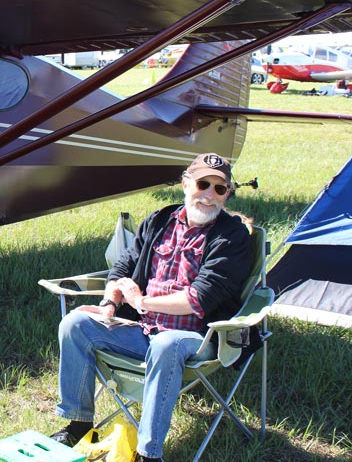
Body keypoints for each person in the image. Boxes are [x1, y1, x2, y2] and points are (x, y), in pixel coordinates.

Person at [51, 153, 252, 462]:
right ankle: (78, 423)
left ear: (227, 193)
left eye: (219, 189)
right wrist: (108, 305)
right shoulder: (159, 220)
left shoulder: (232, 236)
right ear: (186, 184)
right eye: (202, 184)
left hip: (196, 339)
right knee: (74, 324)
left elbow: (199, 299)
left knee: (166, 344)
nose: (209, 195)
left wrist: (141, 302)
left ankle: (149, 453)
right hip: (142, 330)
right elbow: (122, 269)